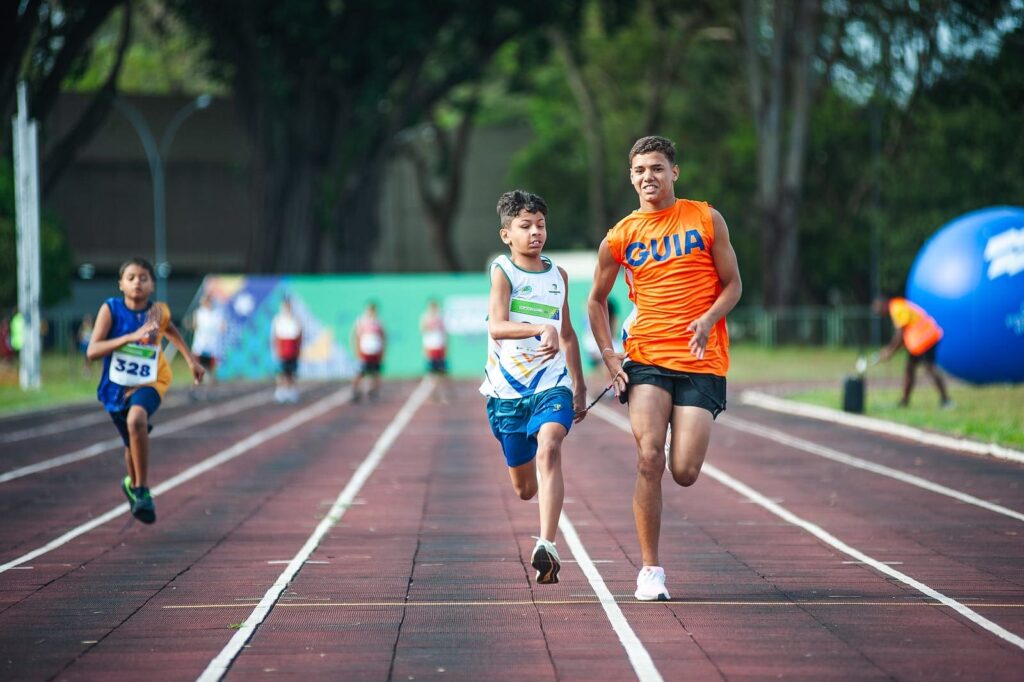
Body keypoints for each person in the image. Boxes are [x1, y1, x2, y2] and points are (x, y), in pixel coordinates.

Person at [588, 135, 742, 601]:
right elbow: (595, 302)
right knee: (648, 457)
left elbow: (733, 285)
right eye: (638, 171)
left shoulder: (706, 218)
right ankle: (650, 570)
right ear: (630, 177)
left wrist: (709, 319)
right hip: (647, 358)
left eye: (656, 168)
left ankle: (681, 423)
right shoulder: (621, 235)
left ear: (674, 172)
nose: (647, 177)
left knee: (685, 471)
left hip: (700, 359)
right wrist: (611, 357)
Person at [480, 189, 588, 585]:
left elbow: (569, 334)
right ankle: (540, 522)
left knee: (550, 446)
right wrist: (538, 328)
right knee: (525, 489)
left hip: (552, 384)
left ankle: (548, 544)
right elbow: (496, 325)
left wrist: (577, 384)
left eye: (540, 224)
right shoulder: (503, 271)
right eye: (525, 226)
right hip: (507, 393)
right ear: (507, 234)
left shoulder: (558, 275)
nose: (535, 232)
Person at [86, 257, 205, 524]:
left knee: (136, 420)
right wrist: (127, 338)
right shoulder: (111, 309)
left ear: (152, 285)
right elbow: (92, 351)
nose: (137, 282)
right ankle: (132, 484)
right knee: (131, 440)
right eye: (131, 278)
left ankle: (141, 490)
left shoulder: (157, 312)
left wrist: (190, 361)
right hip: (116, 387)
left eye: (143, 278)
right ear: (121, 284)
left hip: (151, 380)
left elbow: (170, 329)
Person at [872, 295, 952, 408]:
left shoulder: (897, 308)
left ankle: (946, 401)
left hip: (925, 338)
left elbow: (900, 333)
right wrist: (891, 349)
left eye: (878, 308)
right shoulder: (898, 306)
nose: (877, 311)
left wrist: (890, 350)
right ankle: (904, 401)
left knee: (929, 368)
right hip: (919, 341)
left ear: (883, 304)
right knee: (910, 369)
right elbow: (905, 333)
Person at [189, 293, 226, 399]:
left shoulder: (217, 314)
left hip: (212, 348)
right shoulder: (199, 313)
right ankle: (195, 390)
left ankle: (210, 392)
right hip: (199, 347)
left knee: (210, 371)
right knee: (197, 370)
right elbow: (194, 325)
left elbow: (223, 327)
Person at [351, 301, 386, 402]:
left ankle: (373, 392)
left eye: (373, 309)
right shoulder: (361, 321)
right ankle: (355, 391)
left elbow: (383, 337)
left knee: (375, 373)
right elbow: (355, 337)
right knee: (360, 373)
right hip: (364, 352)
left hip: (376, 352)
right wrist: (356, 350)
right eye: (369, 309)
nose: (371, 311)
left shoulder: (379, 322)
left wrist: (383, 350)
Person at [271, 297, 302, 403]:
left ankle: (291, 391)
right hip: (282, 348)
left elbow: (300, 334)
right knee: (281, 372)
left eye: (288, 306)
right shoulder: (278, 319)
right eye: (284, 306)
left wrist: (298, 348)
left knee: (291, 372)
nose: (286, 308)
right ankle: (281, 391)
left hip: (292, 348)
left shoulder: (295, 319)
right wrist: (275, 349)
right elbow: (274, 335)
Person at [420, 298, 451, 402]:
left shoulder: (441, 317)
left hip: (440, 348)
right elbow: (423, 331)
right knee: (432, 374)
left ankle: (441, 394)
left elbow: (445, 333)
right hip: (431, 348)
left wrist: (446, 347)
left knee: (442, 373)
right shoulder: (425, 317)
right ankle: (433, 394)